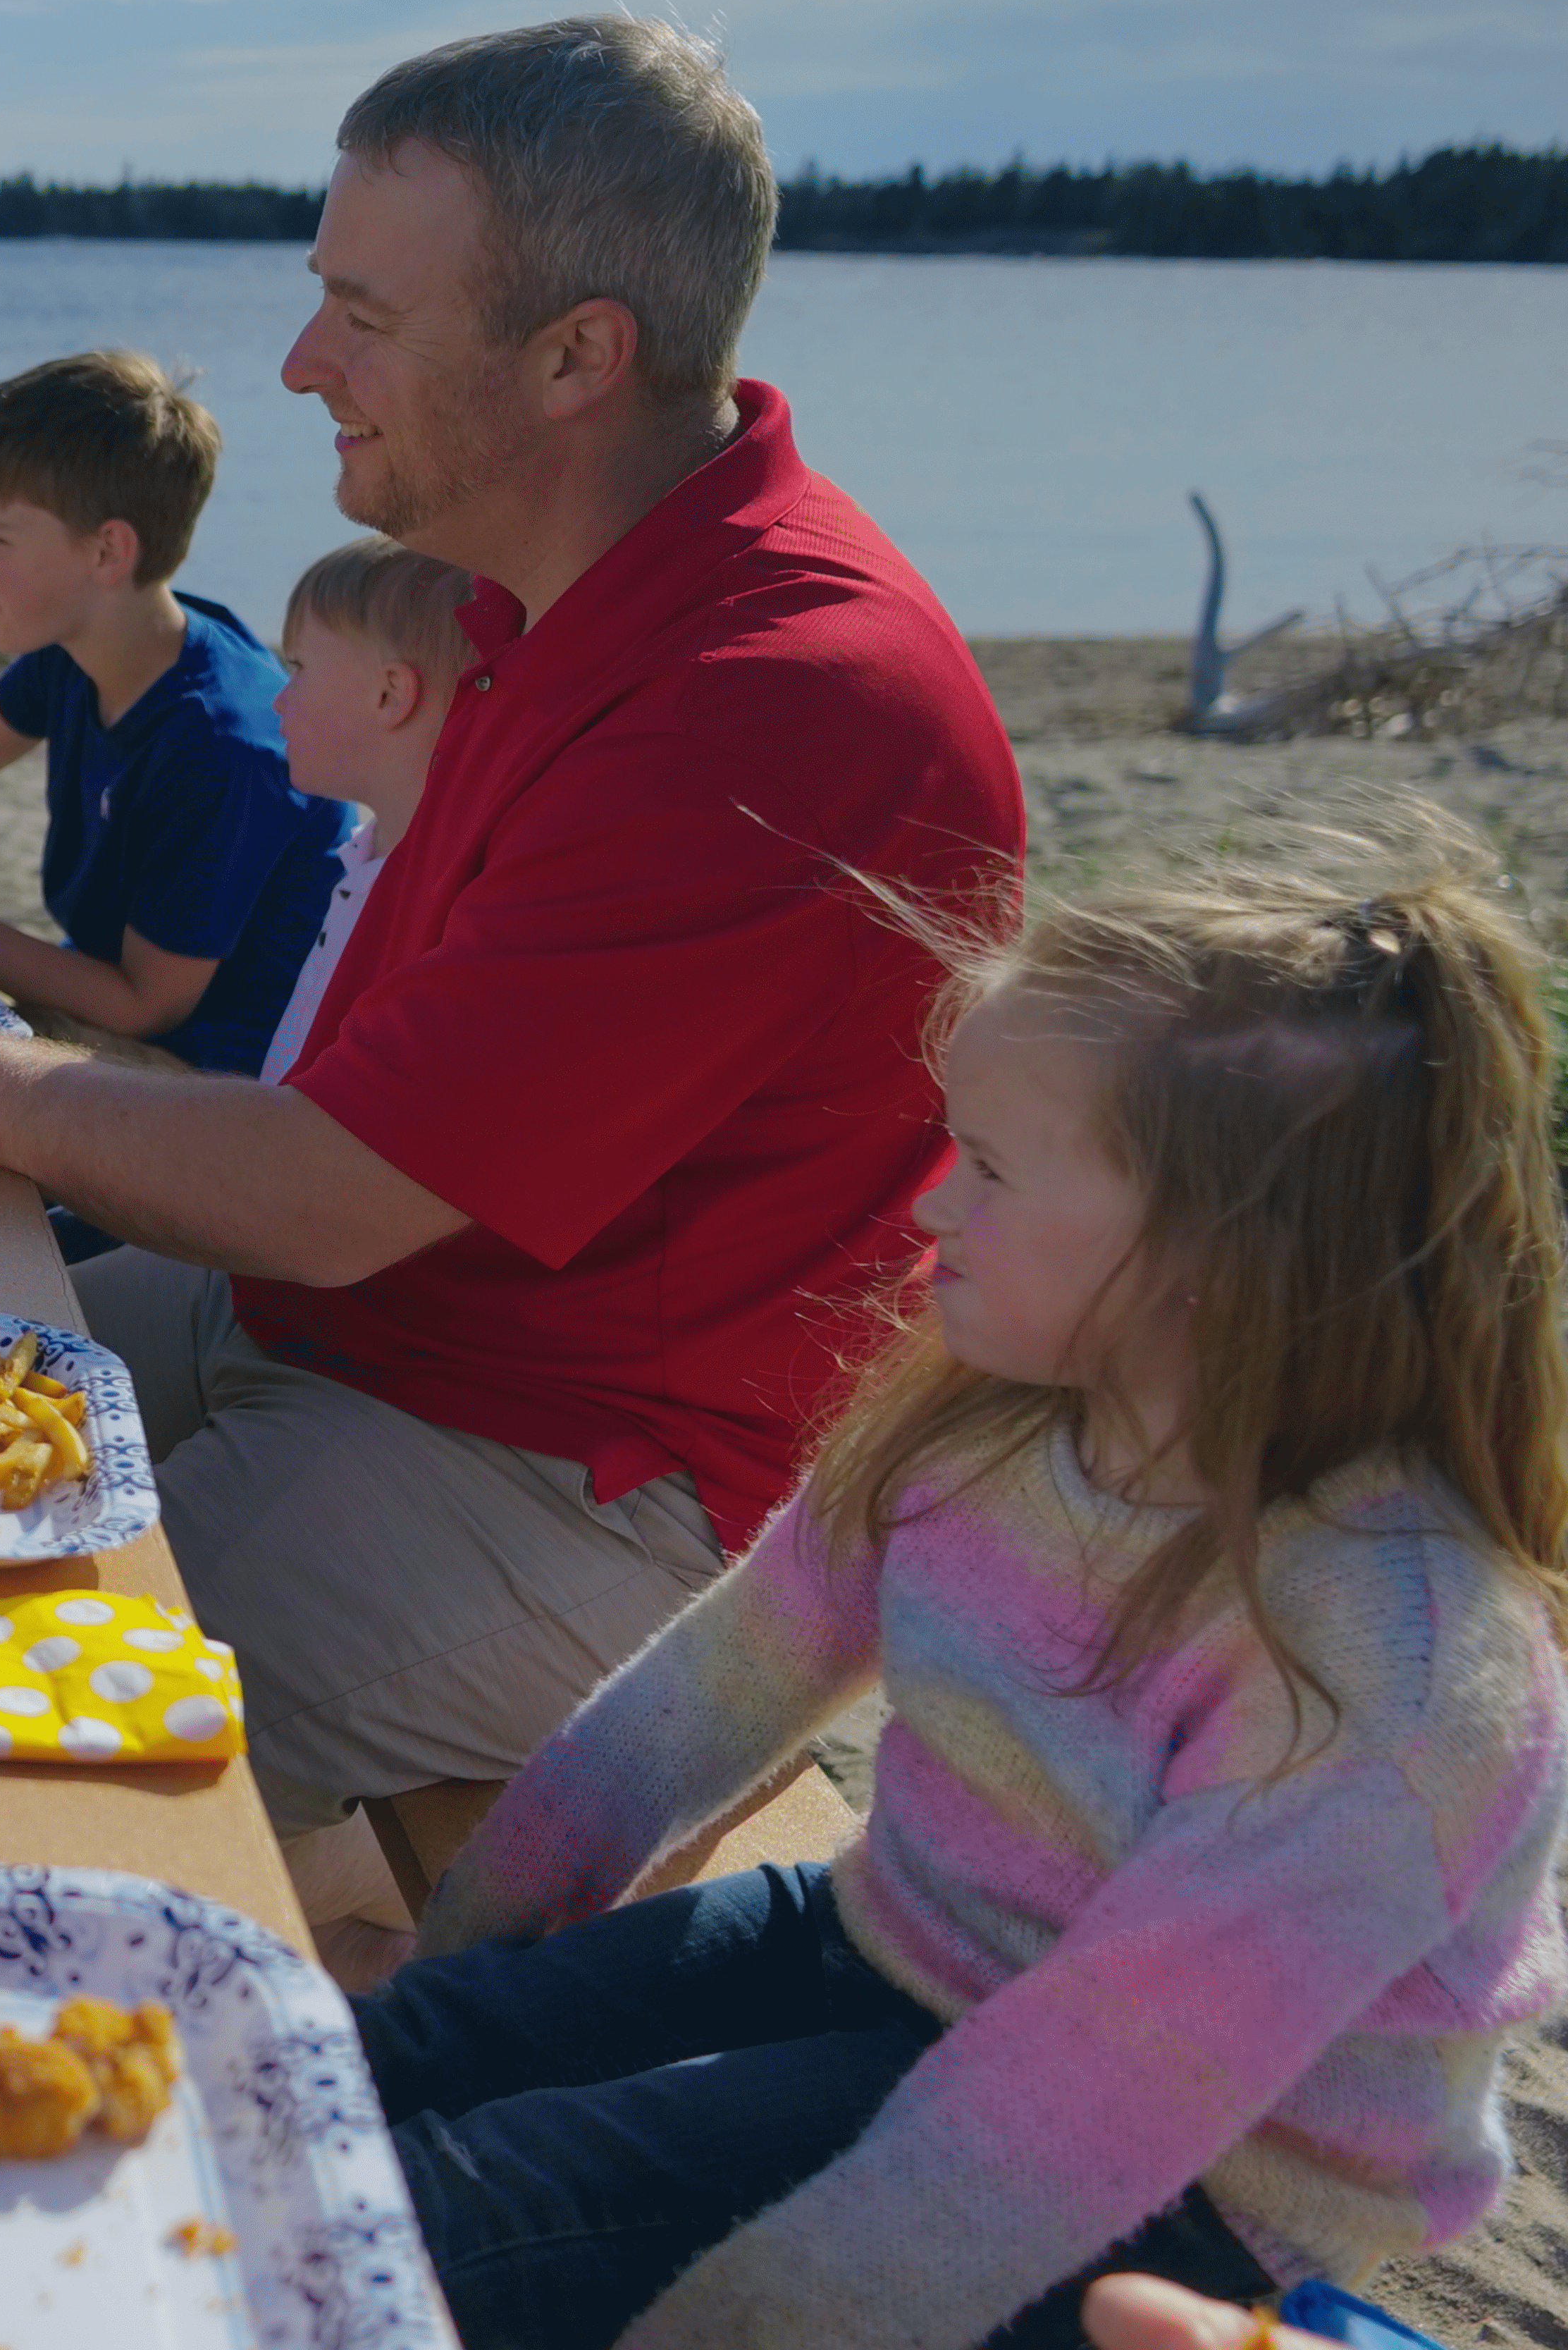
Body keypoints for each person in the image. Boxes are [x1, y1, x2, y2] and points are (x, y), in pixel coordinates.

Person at [0, 17, 1025, 1843]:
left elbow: (331, 1191)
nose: (296, 362)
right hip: (365, 1323)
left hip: (580, 1473)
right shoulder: (545, 601)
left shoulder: (775, 705)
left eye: (368, 316)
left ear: (580, 354)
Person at [355, 799, 1567, 2350]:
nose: (934, 1202)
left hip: (1195, 2161)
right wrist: (466, 1968)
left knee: (462, 2209)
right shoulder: (991, 1413)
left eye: (989, 1166)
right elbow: (706, 1692)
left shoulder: (1386, 1661)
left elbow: (1079, 2100)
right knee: (370, 2066)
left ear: (1220, 1246)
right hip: (908, 1930)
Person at [0, 350, 344, 1075]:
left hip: (218, 1074)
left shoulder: (221, 744)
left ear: (108, 550)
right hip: (111, 1019)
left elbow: (146, 1005)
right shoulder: (79, 649)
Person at [259, 534, 475, 1083]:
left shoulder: (435, 909)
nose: (279, 699)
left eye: (299, 667)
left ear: (390, 695)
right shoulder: (367, 854)